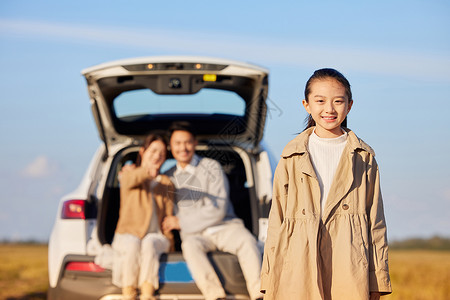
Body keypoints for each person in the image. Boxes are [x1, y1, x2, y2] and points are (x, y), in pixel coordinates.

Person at [260, 68, 392, 300]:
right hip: (297, 258)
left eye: (338, 101)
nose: (329, 109)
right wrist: (269, 276)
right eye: (320, 101)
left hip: (349, 260)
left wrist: (377, 279)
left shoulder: (364, 157)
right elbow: (276, 220)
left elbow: (376, 222)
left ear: (349, 105)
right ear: (306, 105)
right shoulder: (291, 155)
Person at [162, 121, 264, 300]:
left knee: (247, 242)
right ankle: (215, 296)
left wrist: (182, 222)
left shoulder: (211, 167)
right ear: (171, 146)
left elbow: (218, 208)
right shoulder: (168, 176)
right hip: (195, 235)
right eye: (177, 143)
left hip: (224, 227)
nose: (182, 148)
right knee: (189, 246)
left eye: (187, 142)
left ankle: (259, 295)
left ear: (194, 143)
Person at [112, 134, 175, 300]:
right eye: (153, 151)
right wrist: (146, 171)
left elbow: (169, 213)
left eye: (161, 153)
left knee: (149, 243)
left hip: (157, 236)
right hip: (127, 234)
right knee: (133, 244)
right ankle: (129, 293)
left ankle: (147, 294)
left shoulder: (167, 182)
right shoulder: (129, 174)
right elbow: (128, 180)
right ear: (142, 151)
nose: (157, 156)